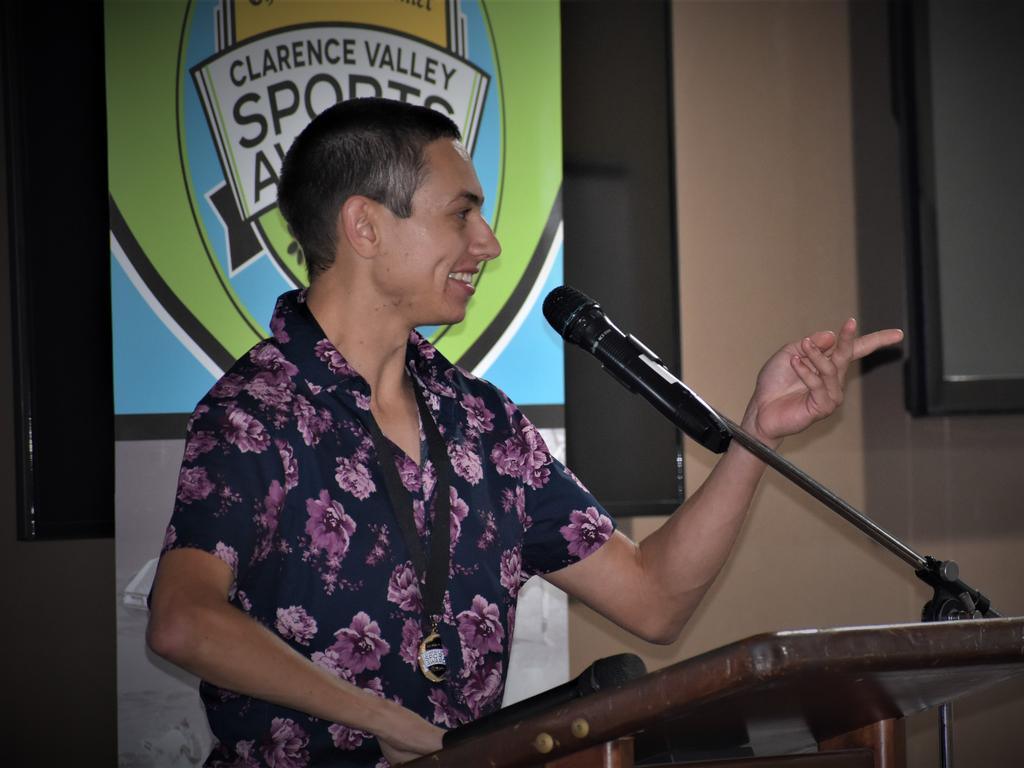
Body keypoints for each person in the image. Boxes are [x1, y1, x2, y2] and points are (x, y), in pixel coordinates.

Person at [147, 97, 903, 768]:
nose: (489, 243)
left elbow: (655, 602)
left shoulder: (483, 421)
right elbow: (184, 621)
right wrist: (379, 719)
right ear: (365, 226)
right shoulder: (255, 411)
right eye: (461, 213)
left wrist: (756, 438)